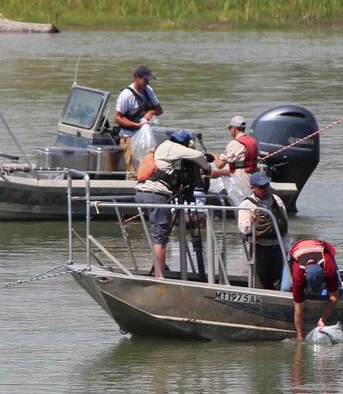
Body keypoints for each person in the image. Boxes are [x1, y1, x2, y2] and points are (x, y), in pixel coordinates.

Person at [134, 130, 228, 278]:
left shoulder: (162, 148)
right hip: (155, 195)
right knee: (160, 238)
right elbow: (197, 155)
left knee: (158, 235)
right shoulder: (171, 146)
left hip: (143, 193)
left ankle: (157, 269)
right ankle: (160, 278)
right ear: (182, 143)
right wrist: (206, 166)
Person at [238, 171, 289, 290]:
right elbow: (244, 229)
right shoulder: (246, 204)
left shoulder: (276, 200)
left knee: (278, 282)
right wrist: (252, 222)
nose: (265, 189)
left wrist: (286, 247)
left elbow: (284, 223)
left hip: (277, 247)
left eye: (267, 185)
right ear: (252, 188)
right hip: (258, 248)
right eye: (262, 187)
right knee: (260, 282)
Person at [287, 237, 342, 340]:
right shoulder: (298, 274)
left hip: (321, 247)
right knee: (285, 288)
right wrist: (299, 336)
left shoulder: (328, 267)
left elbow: (334, 296)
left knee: (339, 290)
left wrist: (323, 318)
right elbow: (298, 307)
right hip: (297, 249)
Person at [114, 65, 163, 174]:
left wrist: (151, 112)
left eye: (148, 80)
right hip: (129, 137)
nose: (147, 83)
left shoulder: (148, 90)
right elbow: (117, 118)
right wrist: (137, 126)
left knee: (149, 168)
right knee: (134, 171)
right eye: (145, 80)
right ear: (137, 78)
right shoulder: (126, 95)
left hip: (146, 136)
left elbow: (159, 110)